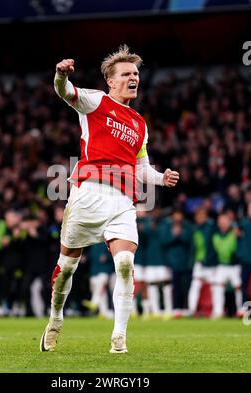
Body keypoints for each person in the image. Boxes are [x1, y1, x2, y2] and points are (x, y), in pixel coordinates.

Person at [40, 45, 179, 354]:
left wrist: (161, 178)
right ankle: (55, 318)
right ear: (111, 81)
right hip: (88, 193)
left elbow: (142, 169)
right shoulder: (96, 102)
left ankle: (119, 338)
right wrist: (60, 75)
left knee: (126, 263)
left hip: (123, 201)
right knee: (66, 268)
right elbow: (65, 92)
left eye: (136, 74)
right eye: (126, 74)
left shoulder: (140, 125)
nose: (134, 78)